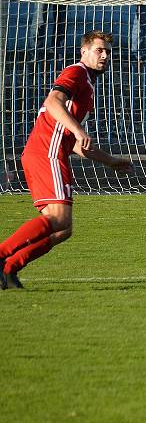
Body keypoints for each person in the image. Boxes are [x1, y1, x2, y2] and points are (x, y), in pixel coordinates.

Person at [1, 31, 135, 290]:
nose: (105, 56)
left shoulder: (88, 84)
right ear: (84, 51)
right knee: (60, 220)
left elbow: (74, 143)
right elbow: (53, 101)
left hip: (46, 152)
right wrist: (78, 129)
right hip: (45, 152)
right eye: (99, 50)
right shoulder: (76, 72)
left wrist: (110, 161)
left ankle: (9, 268)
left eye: (108, 51)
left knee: (62, 230)